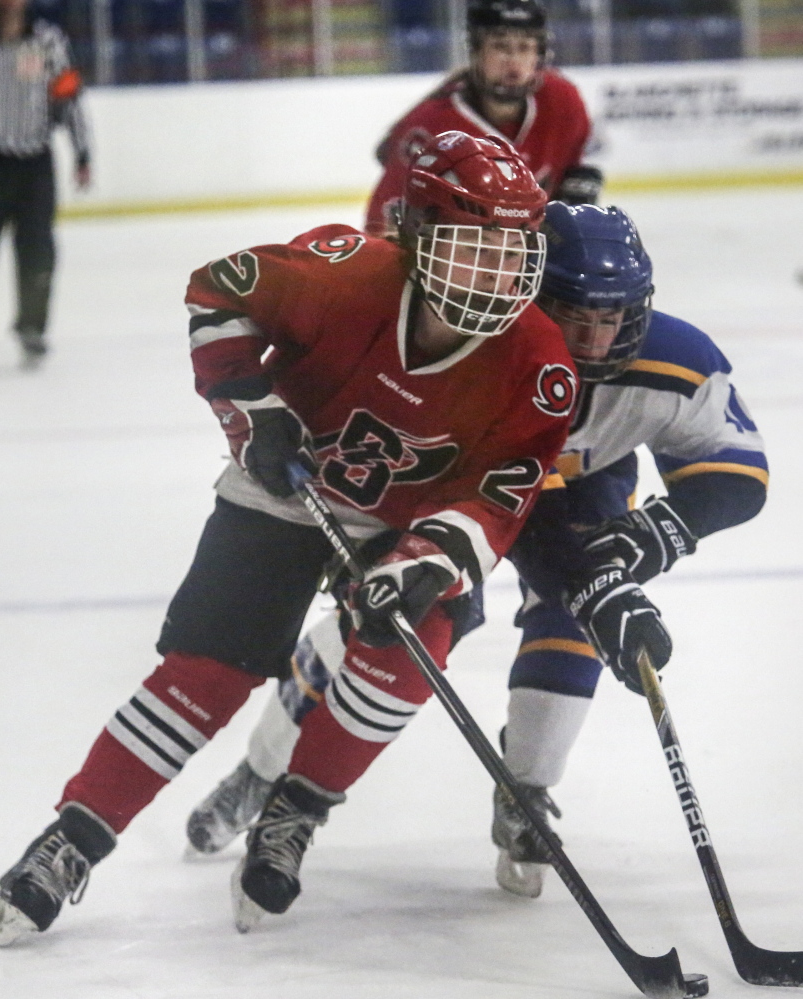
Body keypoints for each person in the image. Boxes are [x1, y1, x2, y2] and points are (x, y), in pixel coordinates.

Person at [0, 130, 578, 946]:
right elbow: (217, 293)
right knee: (206, 670)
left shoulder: (540, 362)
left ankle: (296, 809)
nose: (495, 269)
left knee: (408, 647)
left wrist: (426, 564)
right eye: (474, 242)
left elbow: (499, 492)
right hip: (286, 486)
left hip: (409, 522)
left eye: (513, 247)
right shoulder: (348, 274)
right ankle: (72, 837)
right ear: (417, 234)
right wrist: (252, 410)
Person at [186, 203, 767, 911]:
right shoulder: (482, 345)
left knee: (578, 614)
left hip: (575, 489)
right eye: (573, 316)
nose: (593, 340)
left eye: (612, 317)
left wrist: (665, 528)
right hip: (456, 485)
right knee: (387, 615)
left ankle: (526, 788)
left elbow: (740, 466)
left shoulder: (675, 361)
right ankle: (263, 766)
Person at [366, 0, 602, 237]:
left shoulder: (562, 101)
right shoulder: (428, 128)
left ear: (539, 55)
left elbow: (571, 174)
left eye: (524, 47)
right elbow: (383, 223)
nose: (513, 60)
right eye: (500, 46)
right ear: (476, 51)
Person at [0, 0, 91, 362]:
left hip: (34, 164)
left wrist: (83, 153)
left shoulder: (47, 40)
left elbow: (69, 98)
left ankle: (32, 326)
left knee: (38, 250)